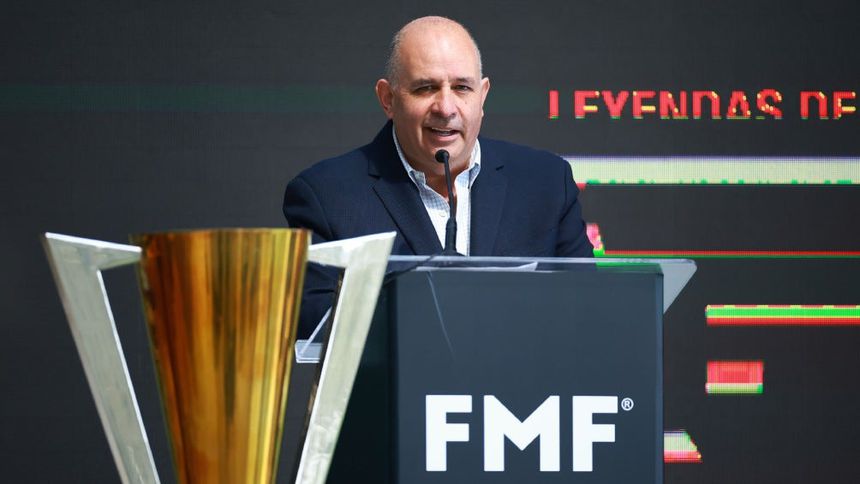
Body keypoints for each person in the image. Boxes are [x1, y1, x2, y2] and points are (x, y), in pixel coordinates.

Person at [283, 16, 592, 337]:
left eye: (462, 88)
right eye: (426, 88)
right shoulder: (326, 196)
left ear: (482, 96)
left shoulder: (546, 182)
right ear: (388, 99)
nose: (446, 108)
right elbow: (315, 328)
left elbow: (590, 308)